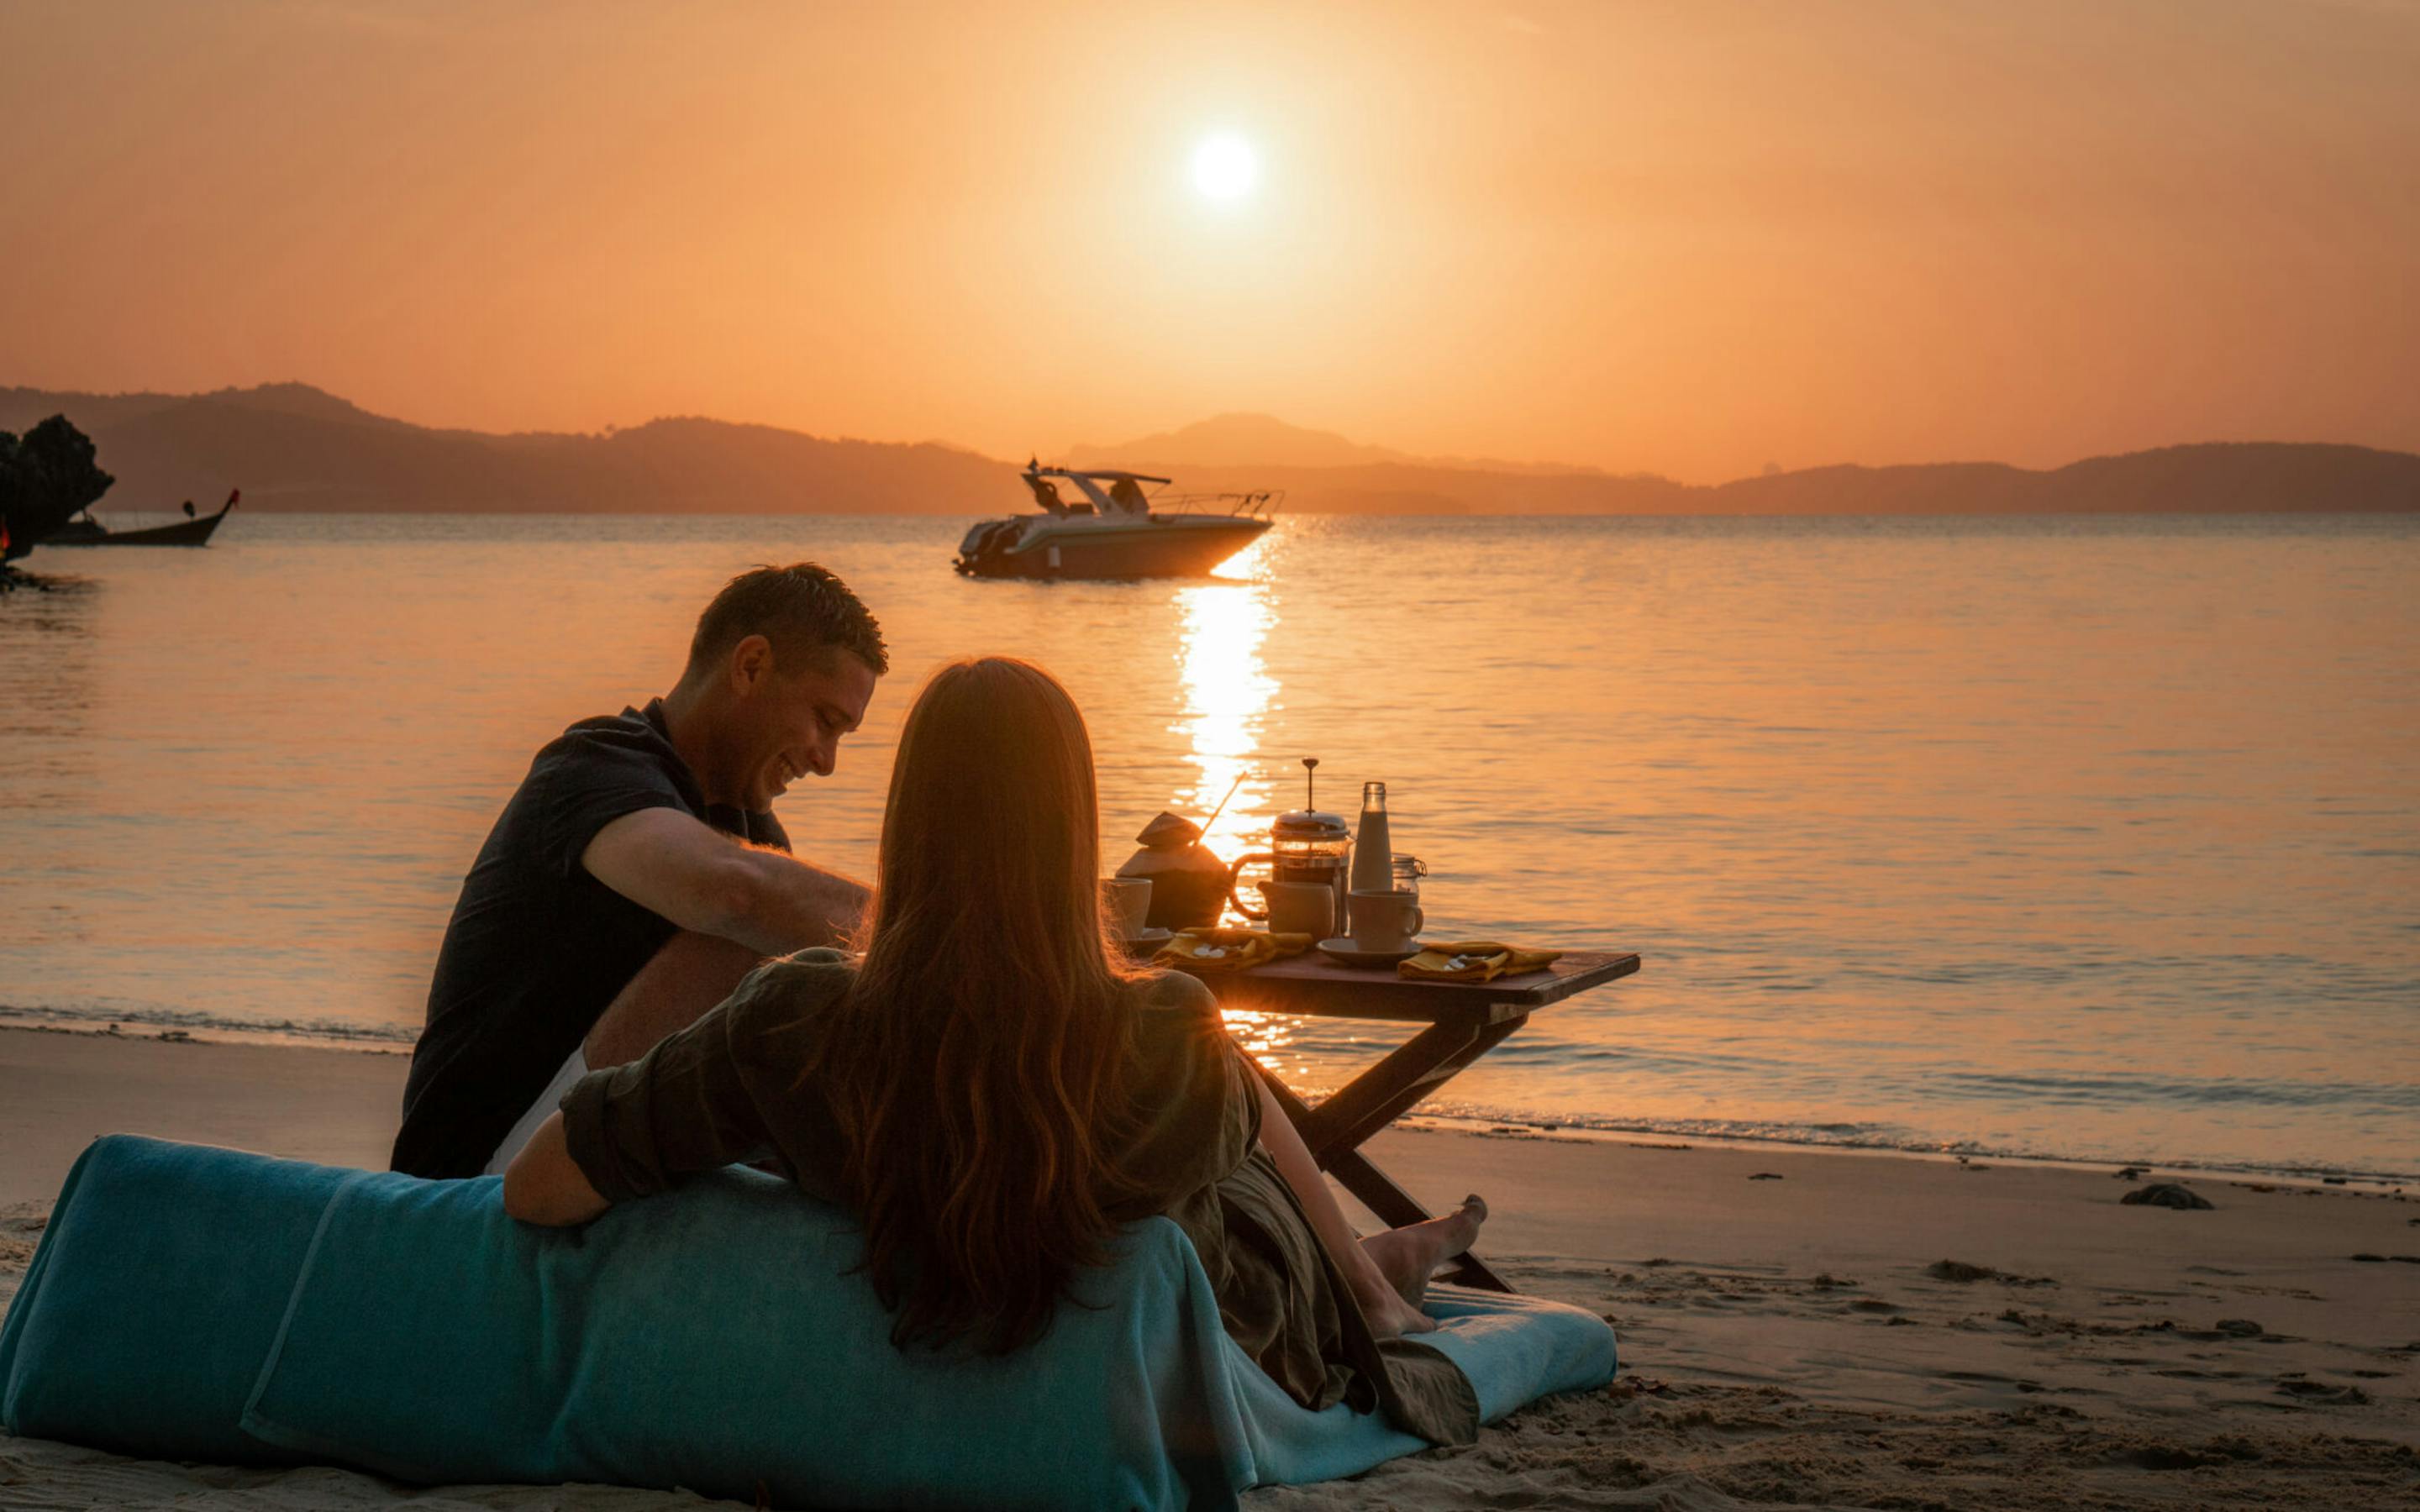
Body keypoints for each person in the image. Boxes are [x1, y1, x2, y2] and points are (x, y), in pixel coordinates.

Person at [501, 657, 1491, 1446]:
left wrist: (749, 1183)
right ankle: (1375, 1282)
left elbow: (535, 1189)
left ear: (908, 825)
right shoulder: (1164, 1035)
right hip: (1228, 1326)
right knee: (1219, 1093)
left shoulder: (789, 1023)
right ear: (1074, 830)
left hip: (918, 1196)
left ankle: (1378, 1269)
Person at [390, 562, 887, 1180]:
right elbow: (731, 894)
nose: (826, 760)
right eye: (825, 720)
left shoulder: (754, 835)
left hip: (591, 1144)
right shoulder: (592, 768)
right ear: (751, 666)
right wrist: (941, 929)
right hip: (477, 1179)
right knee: (756, 944)